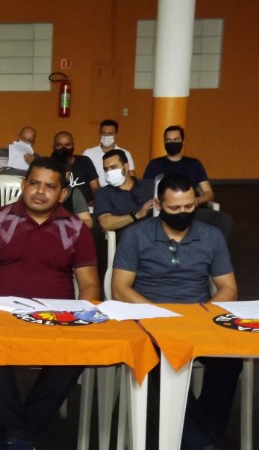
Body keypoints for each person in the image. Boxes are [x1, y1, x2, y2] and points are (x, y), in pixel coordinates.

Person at [0, 157, 99, 450]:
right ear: (23, 185)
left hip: (55, 320)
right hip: (0, 318)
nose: (40, 191)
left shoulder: (76, 228)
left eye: (50, 186)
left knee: (78, 351)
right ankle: (20, 438)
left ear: (63, 193)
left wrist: (78, 318)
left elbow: (89, 284)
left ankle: (13, 437)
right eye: (34, 183)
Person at [112, 174, 240, 450]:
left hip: (199, 319)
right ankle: (202, 443)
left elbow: (228, 288)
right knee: (161, 359)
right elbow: (120, 289)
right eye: (174, 208)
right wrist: (159, 316)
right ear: (159, 205)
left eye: (189, 206)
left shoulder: (212, 236)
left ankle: (200, 439)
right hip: (150, 321)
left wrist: (202, 315)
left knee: (230, 362)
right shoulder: (136, 235)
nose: (183, 213)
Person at [143, 125, 232, 238]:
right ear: (164, 142)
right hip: (164, 211)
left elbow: (209, 193)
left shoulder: (194, 164)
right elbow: (145, 192)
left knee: (224, 220)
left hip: (190, 210)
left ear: (183, 141)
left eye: (176, 140)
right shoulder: (155, 165)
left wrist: (197, 200)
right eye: (168, 140)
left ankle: (210, 248)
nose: (172, 143)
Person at [94, 149, 154, 232]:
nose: (109, 172)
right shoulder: (103, 193)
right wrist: (137, 215)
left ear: (126, 167)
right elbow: (105, 223)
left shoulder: (151, 186)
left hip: (156, 235)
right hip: (128, 237)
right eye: (106, 169)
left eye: (113, 167)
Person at [82, 119, 136, 187]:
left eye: (110, 133)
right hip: (96, 191)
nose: (106, 136)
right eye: (103, 133)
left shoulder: (125, 153)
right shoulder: (88, 153)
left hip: (119, 191)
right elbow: (83, 175)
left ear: (115, 134)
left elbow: (131, 175)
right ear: (99, 134)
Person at [53, 131, 99, 205]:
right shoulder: (50, 164)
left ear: (73, 145)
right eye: (59, 145)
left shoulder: (85, 161)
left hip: (87, 206)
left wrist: (96, 201)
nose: (63, 148)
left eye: (67, 145)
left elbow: (95, 187)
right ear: (54, 146)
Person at [51, 152, 93, 228]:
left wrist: (67, 227)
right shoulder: (42, 191)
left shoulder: (74, 193)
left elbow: (88, 221)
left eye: (67, 178)